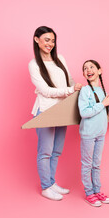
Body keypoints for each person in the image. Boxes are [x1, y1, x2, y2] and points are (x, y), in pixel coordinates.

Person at [28, 26, 82, 200]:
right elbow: (45, 90)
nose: (50, 44)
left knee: (56, 151)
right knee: (45, 152)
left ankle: (51, 183)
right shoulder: (34, 64)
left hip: (63, 111)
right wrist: (70, 90)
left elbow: (70, 79)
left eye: (52, 40)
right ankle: (46, 187)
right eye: (46, 40)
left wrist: (78, 89)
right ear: (37, 39)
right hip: (45, 111)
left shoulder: (60, 58)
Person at [78, 60, 109, 207]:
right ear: (84, 74)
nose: (88, 69)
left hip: (101, 133)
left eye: (92, 67)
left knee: (96, 165)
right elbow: (84, 112)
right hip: (88, 133)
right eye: (85, 68)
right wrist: (103, 104)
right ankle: (89, 193)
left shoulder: (102, 91)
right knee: (87, 164)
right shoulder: (85, 90)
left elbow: (106, 111)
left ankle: (97, 190)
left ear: (99, 71)